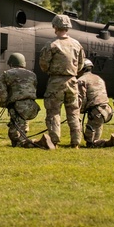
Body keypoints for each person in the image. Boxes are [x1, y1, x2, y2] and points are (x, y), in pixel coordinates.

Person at [38, 13, 85, 148]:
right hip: (72, 81)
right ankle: (75, 142)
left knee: (53, 112)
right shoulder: (76, 44)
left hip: (55, 82)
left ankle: (54, 140)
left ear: (55, 27)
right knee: (74, 112)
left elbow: (43, 64)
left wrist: (51, 72)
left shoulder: (51, 44)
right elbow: (81, 65)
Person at [0, 53, 53, 150]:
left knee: (15, 136)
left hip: (17, 106)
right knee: (22, 125)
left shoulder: (7, 74)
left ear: (11, 63)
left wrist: (4, 103)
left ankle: (40, 143)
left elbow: (0, 90)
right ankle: (27, 139)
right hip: (32, 107)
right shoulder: (32, 74)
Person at [77, 59, 114, 149]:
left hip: (96, 112)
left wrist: (80, 110)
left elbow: (82, 98)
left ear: (81, 68)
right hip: (106, 110)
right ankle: (108, 142)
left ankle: (111, 142)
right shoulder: (99, 78)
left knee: (90, 144)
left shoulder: (81, 80)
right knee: (95, 137)